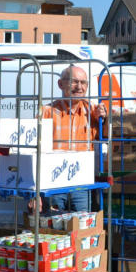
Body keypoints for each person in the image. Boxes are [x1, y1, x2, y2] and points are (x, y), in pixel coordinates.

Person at [41, 64, 107, 211]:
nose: (79, 87)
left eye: (83, 83)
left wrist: (105, 119)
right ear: (60, 84)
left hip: (82, 184)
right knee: (55, 228)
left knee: (82, 227)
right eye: (74, 81)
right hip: (53, 184)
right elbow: (34, 152)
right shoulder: (46, 112)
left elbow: (108, 138)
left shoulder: (93, 111)